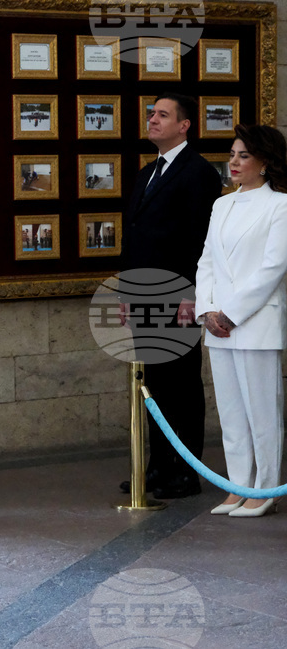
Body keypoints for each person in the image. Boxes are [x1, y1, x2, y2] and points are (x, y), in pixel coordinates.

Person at [120, 93, 222, 499]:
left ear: (184, 126)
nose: (153, 120)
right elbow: (135, 237)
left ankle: (185, 471)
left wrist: (193, 294)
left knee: (181, 384)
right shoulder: (148, 172)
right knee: (152, 384)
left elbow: (201, 240)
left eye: (163, 115)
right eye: (151, 114)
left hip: (178, 295)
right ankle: (157, 468)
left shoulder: (198, 173)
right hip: (143, 294)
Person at [196, 125, 287, 517]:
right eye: (232, 155)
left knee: (262, 412)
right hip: (218, 324)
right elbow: (207, 262)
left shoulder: (280, 206)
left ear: (265, 162)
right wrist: (207, 311)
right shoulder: (221, 205)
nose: (233, 162)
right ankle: (236, 485)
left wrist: (231, 314)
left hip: (255, 323)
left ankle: (265, 488)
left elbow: (272, 269)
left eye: (243, 156)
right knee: (231, 411)